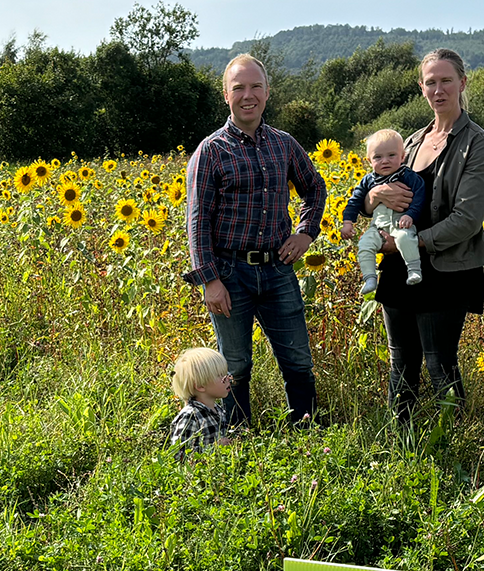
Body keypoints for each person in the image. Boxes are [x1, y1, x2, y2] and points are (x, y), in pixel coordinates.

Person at [183, 53, 328, 428]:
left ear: (267, 92)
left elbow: (314, 188)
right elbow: (198, 221)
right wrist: (209, 280)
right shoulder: (211, 151)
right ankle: (237, 439)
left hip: (278, 268)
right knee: (235, 364)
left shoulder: (284, 144)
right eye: (239, 88)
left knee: (297, 358)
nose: (248, 95)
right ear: (226, 96)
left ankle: (307, 433)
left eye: (255, 87)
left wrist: (305, 232)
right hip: (230, 272)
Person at [366, 48, 484, 424]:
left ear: (462, 83)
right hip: (398, 266)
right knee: (400, 361)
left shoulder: (476, 144)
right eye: (430, 82)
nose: (438, 89)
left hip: (446, 267)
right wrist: (374, 197)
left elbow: (467, 220)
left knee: (439, 363)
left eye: (446, 81)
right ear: (421, 88)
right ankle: (401, 440)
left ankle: (457, 440)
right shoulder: (409, 142)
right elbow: (378, 192)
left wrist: (413, 242)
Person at [341, 129, 427, 296]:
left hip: (400, 223)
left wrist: (411, 215)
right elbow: (354, 202)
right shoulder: (368, 180)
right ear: (369, 160)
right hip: (378, 227)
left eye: (392, 155)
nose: (385, 161)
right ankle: (369, 277)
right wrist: (347, 223)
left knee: (405, 238)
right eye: (378, 157)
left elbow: (420, 196)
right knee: (365, 244)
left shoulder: (408, 177)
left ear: (403, 156)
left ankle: (414, 269)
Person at [168, 346, 234, 458]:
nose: (228, 378)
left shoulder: (217, 410)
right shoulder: (190, 417)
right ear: (200, 386)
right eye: (220, 376)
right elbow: (178, 455)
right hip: (196, 474)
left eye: (226, 373)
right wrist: (215, 449)